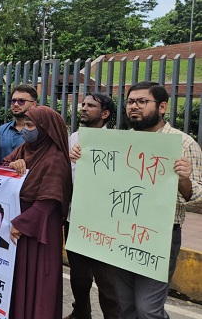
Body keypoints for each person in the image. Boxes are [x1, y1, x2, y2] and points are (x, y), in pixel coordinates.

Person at [71, 82, 202, 318]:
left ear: (162, 107)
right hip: (120, 232)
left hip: (159, 236)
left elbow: (195, 199)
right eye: (131, 101)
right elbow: (102, 184)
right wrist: (81, 157)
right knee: (124, 305)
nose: (134, 107)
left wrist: (183, 179)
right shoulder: (118, 140)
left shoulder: (183, 143)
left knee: (148, 309)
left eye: (142, 102)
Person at [4, 106, 72, 319]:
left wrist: (21, 224)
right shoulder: (25, 148)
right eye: (25, 124)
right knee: (16, 277)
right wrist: (12, 165)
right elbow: (2, 169)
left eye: (31, 125)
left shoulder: (56, 158)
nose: (25, 129)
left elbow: (48, 202)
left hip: (37, 226)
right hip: (18, 221)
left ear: (45, 129)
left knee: (36, 277)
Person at [64, 93, 119, 319]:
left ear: (104, 114)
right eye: (83, 104)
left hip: (103, 220)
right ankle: (81, 312)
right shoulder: (73, 138)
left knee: (107, 280)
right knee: (79, 275)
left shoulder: (116, 141)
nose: (84, 108)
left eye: (91, 106)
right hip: (74, 215)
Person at [0, 84, 38, 165]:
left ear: (33, 104)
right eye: (13, 101)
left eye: (21, 101)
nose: (16, 104)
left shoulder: (39, 132)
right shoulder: (1, 130)